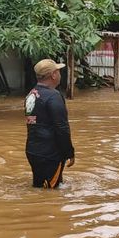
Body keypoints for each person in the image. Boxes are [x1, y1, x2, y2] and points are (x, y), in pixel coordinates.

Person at [24, 59, 75, 188]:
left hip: (33, 150)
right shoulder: (54, 96)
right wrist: (69, 152)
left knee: (39, 187)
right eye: (58, 71)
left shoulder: (31, 94)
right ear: (53, 75)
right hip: (50, 153)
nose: (60, 75)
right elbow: (62, 128)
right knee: (53, 192)